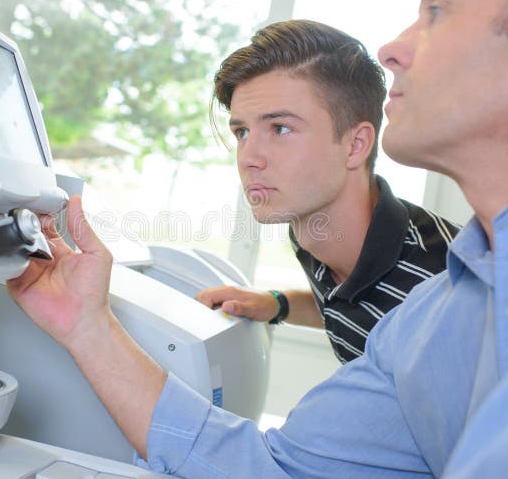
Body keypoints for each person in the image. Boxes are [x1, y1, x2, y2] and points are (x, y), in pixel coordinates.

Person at [7, 0, 508, 475]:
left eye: (437, 12)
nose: (391, 49)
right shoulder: (429, 317)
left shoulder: (427, 278)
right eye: (241, 131)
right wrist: (87, 325)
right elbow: (275, 468)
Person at [194, 19, 459, 363]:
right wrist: (278, 303)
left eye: (280, 128)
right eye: (242, 132)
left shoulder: (444, 283)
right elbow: (349, 307)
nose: (248, 158)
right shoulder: (310, 229)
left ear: (355, 145)